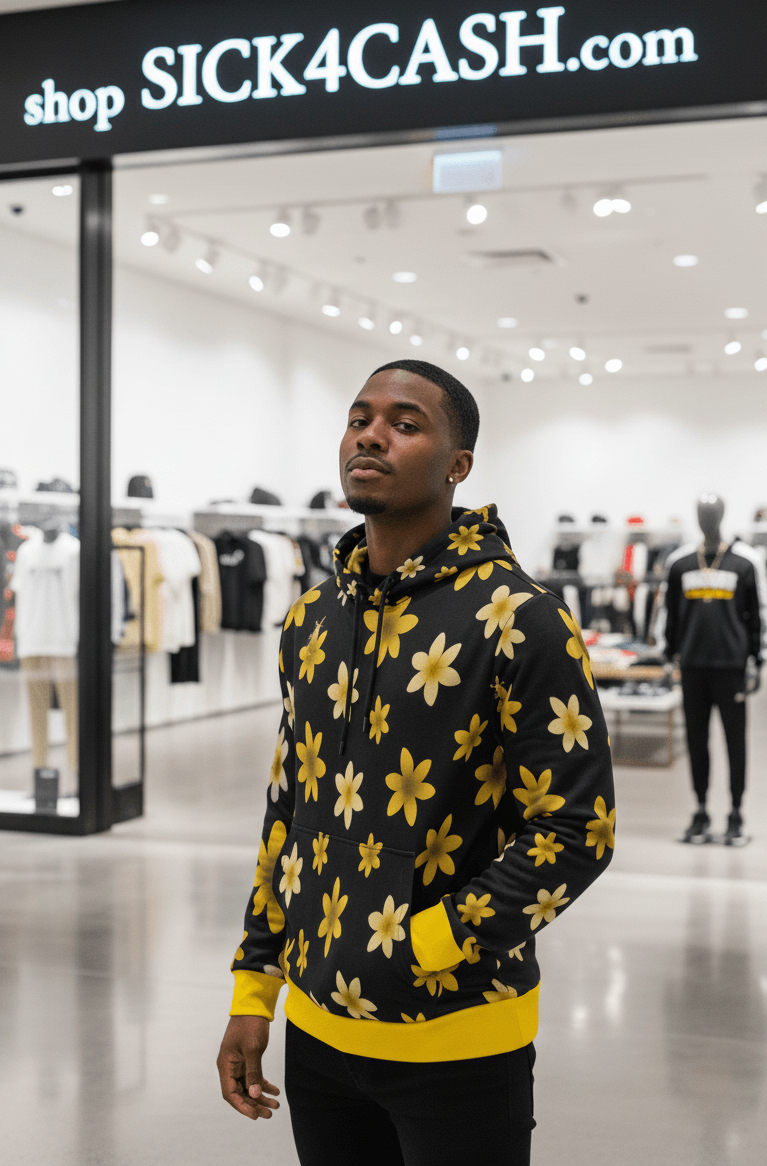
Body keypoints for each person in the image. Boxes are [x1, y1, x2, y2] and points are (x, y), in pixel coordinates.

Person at [217, 360, 615, 1165]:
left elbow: (578, 832)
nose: (370, 434)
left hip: (459, 1037)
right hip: (319, 1034)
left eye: (405, 423)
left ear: (457, 464)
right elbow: (289, 809)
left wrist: (426, 943)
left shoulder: (520, 619)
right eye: (360, 417)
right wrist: (255, 988)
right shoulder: (311, 619)